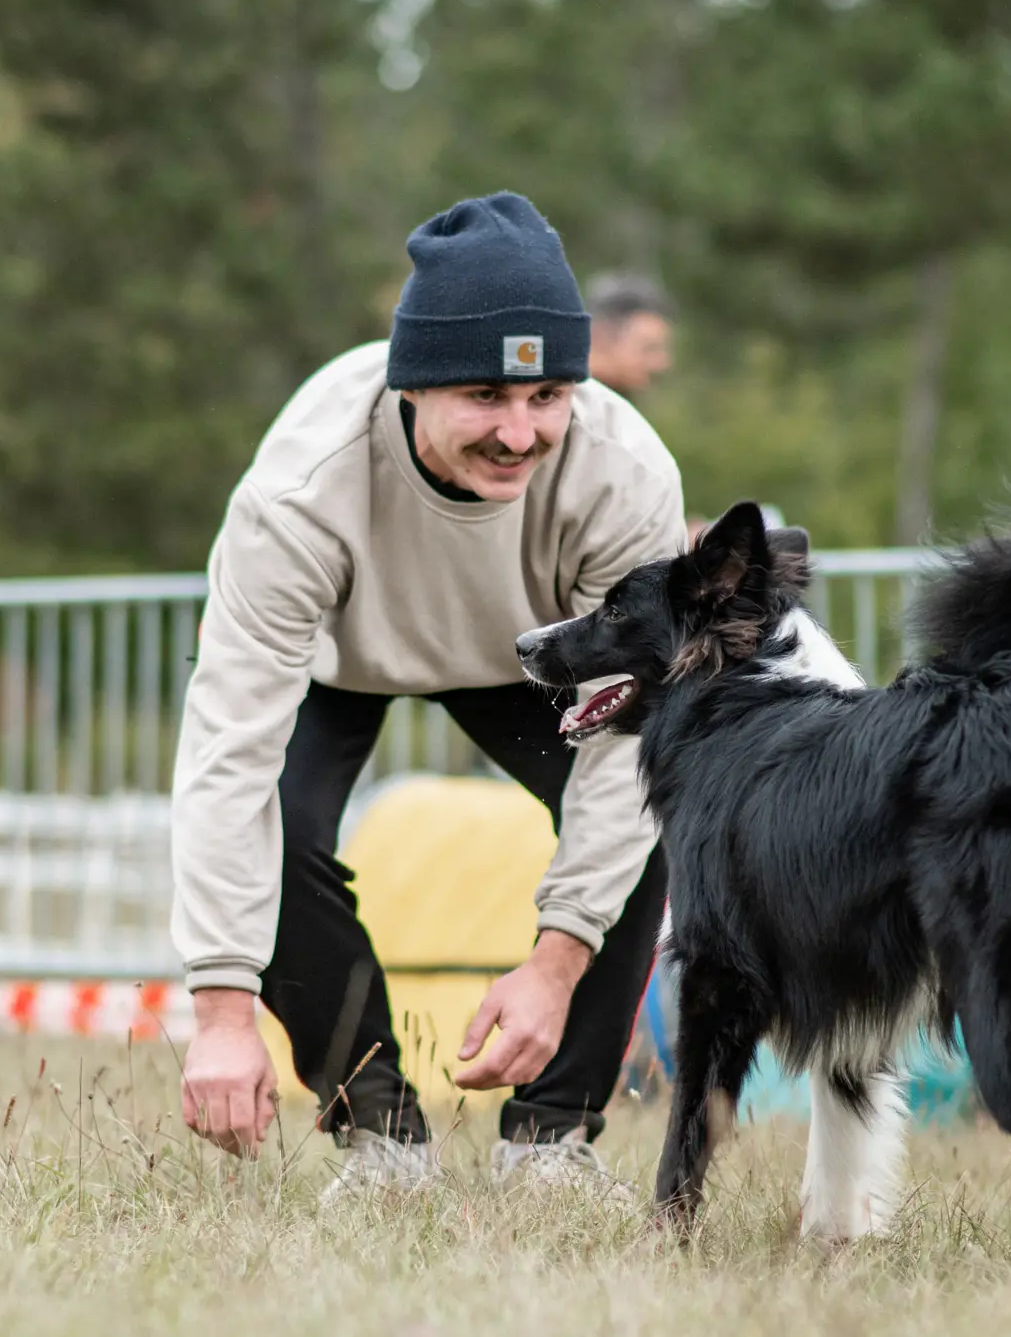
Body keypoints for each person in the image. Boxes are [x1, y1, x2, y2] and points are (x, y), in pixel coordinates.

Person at [171, 193, 684, 1195]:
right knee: (275, 828)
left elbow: (630, 756)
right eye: (484, 397)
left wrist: (555, 964)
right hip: (338, 657)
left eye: (547, 398)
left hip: (526, 656)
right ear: (412, 387)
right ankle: (379, 1136)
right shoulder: (297, 494)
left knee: (659, 797)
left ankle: (551, 1148)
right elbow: (225, 757)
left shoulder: (623, 477)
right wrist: (222, 1013)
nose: (519, 431)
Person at [583, 272, 675, 402]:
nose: (662, 364)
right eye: (649, 349)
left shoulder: (614, 408)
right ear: (599, 338)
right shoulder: (562, 411)